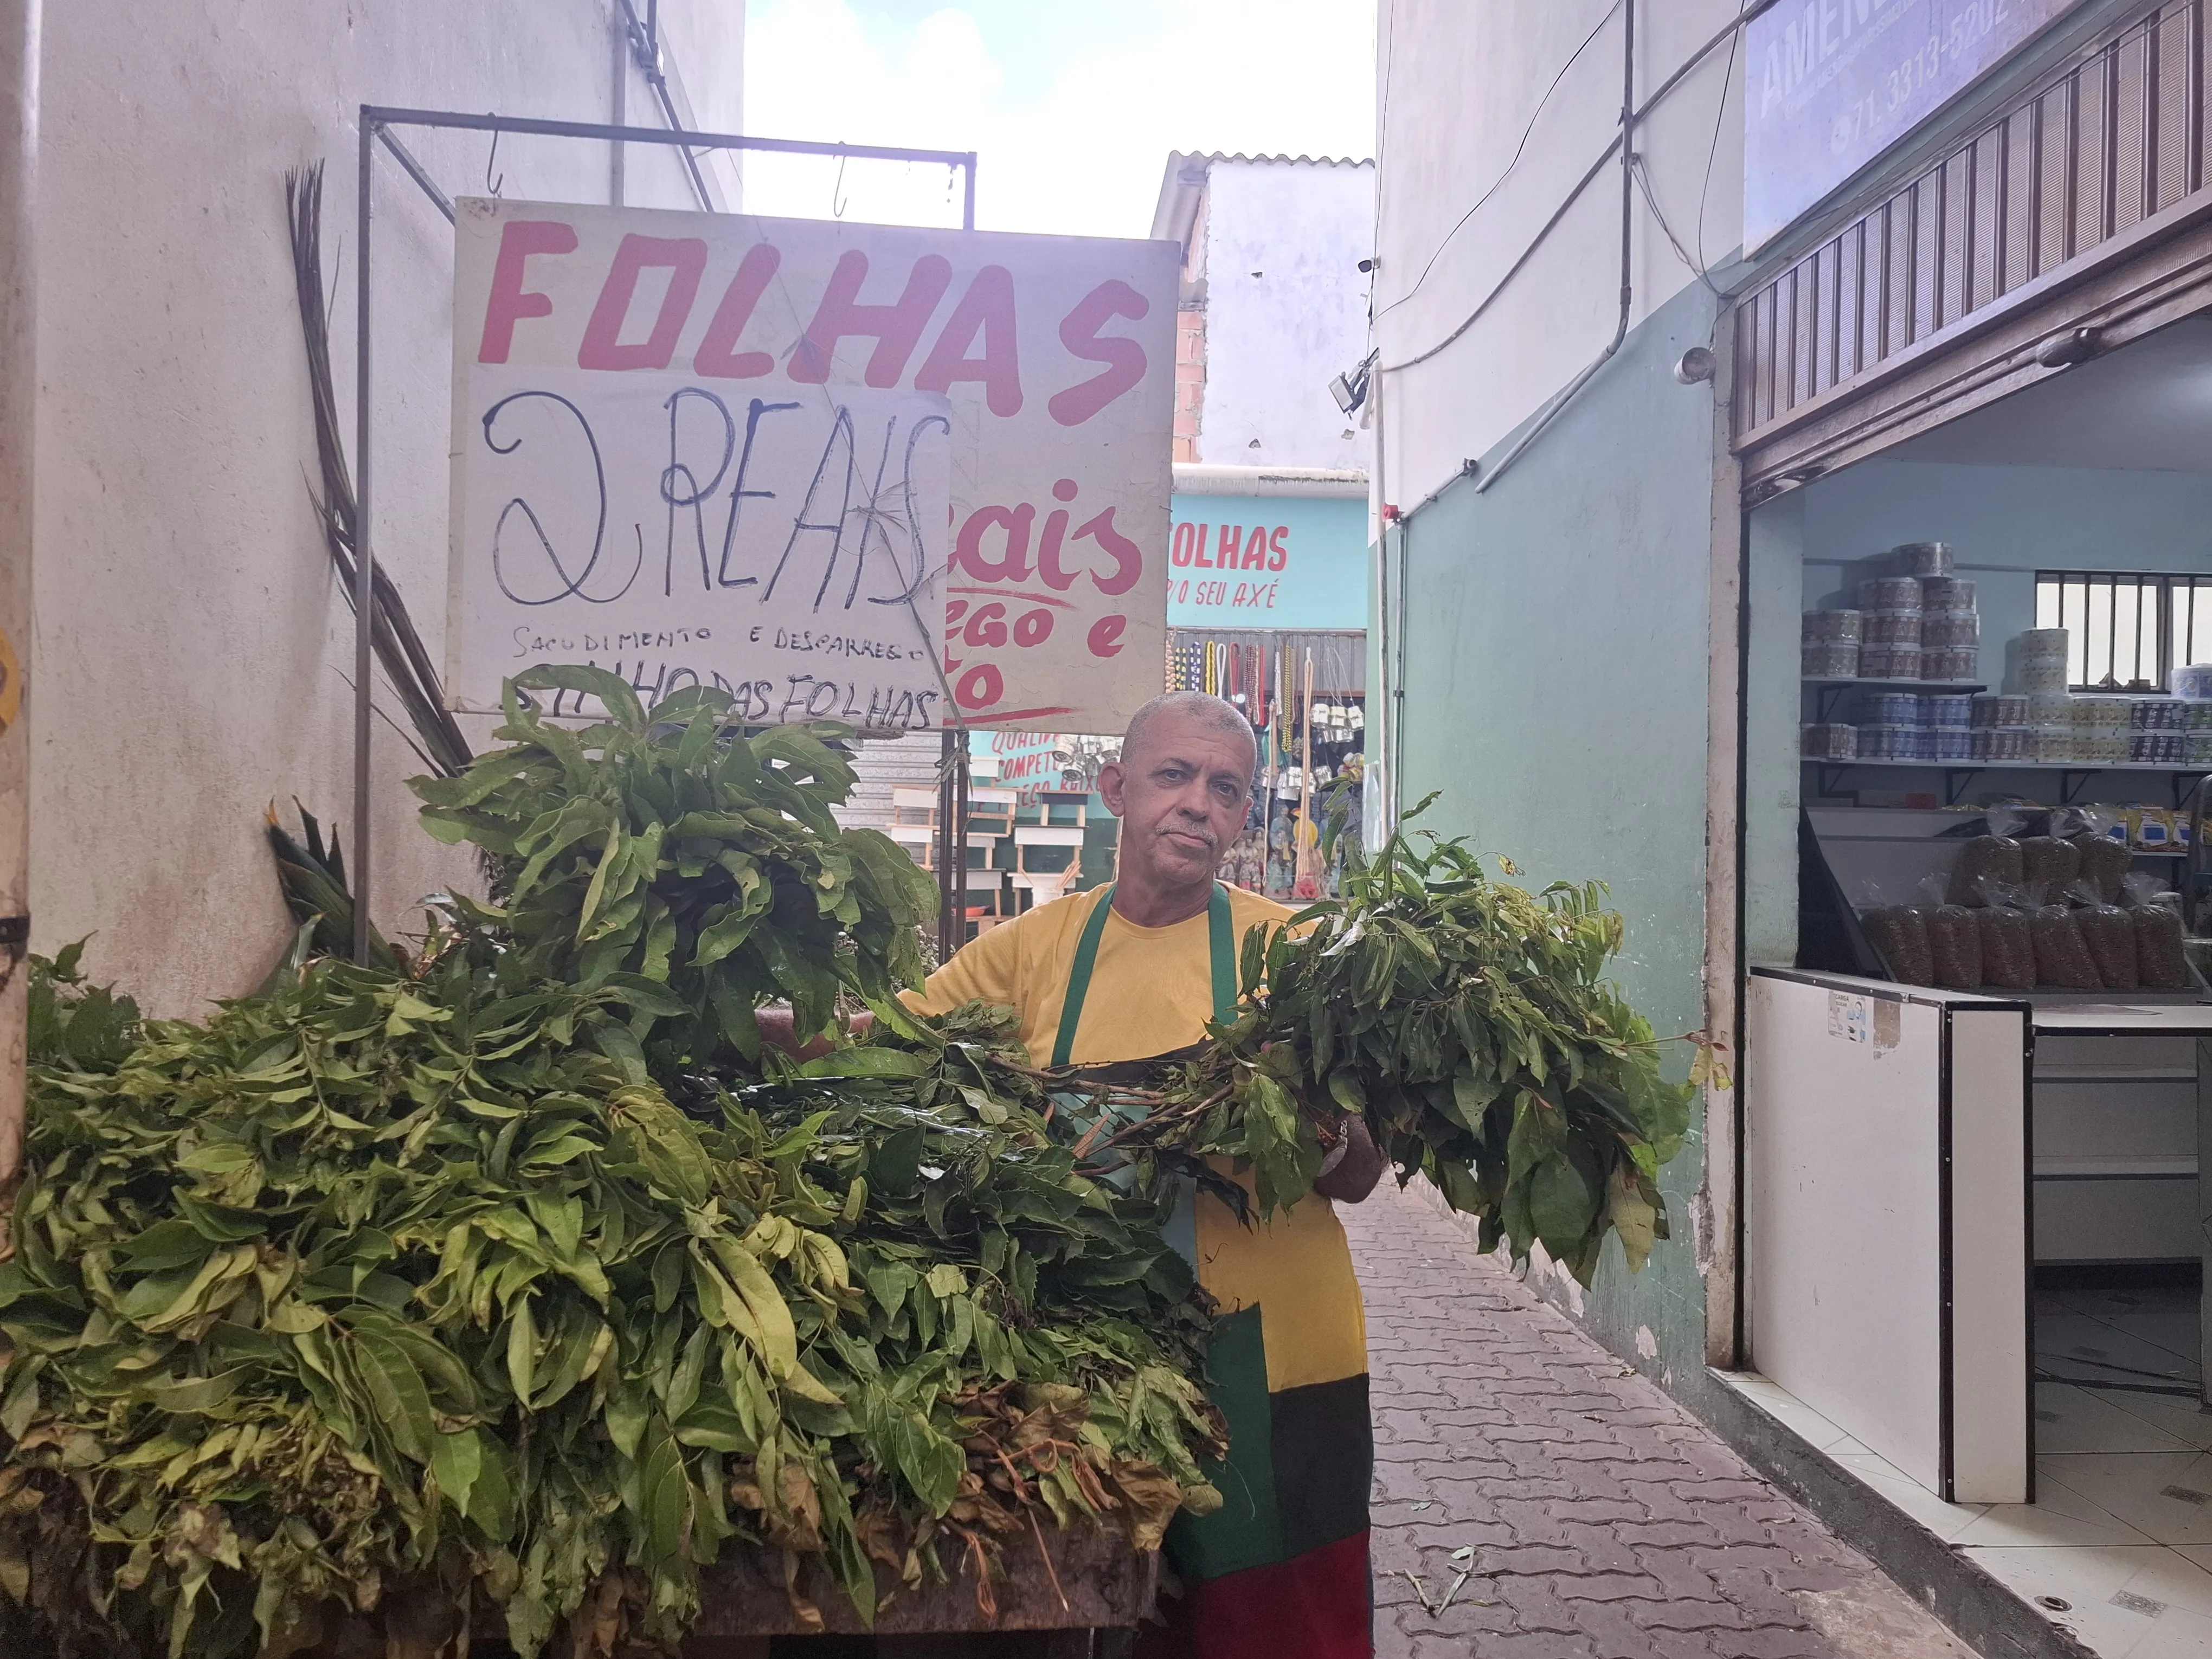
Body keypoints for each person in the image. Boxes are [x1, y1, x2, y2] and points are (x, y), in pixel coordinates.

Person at [905, 691, 1385, 1659]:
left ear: (1244, 814)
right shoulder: (1035, 951)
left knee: (1276, 1622)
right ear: (1116, 788)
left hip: (1275, 1348)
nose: (1197, 805)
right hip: (1079, 1355)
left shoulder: (1292, 956)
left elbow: (1364, 1175)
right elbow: (893, 1044)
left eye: (1225, 788)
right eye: (1173, 777)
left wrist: (1322, 1127)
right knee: (1082, 1604)